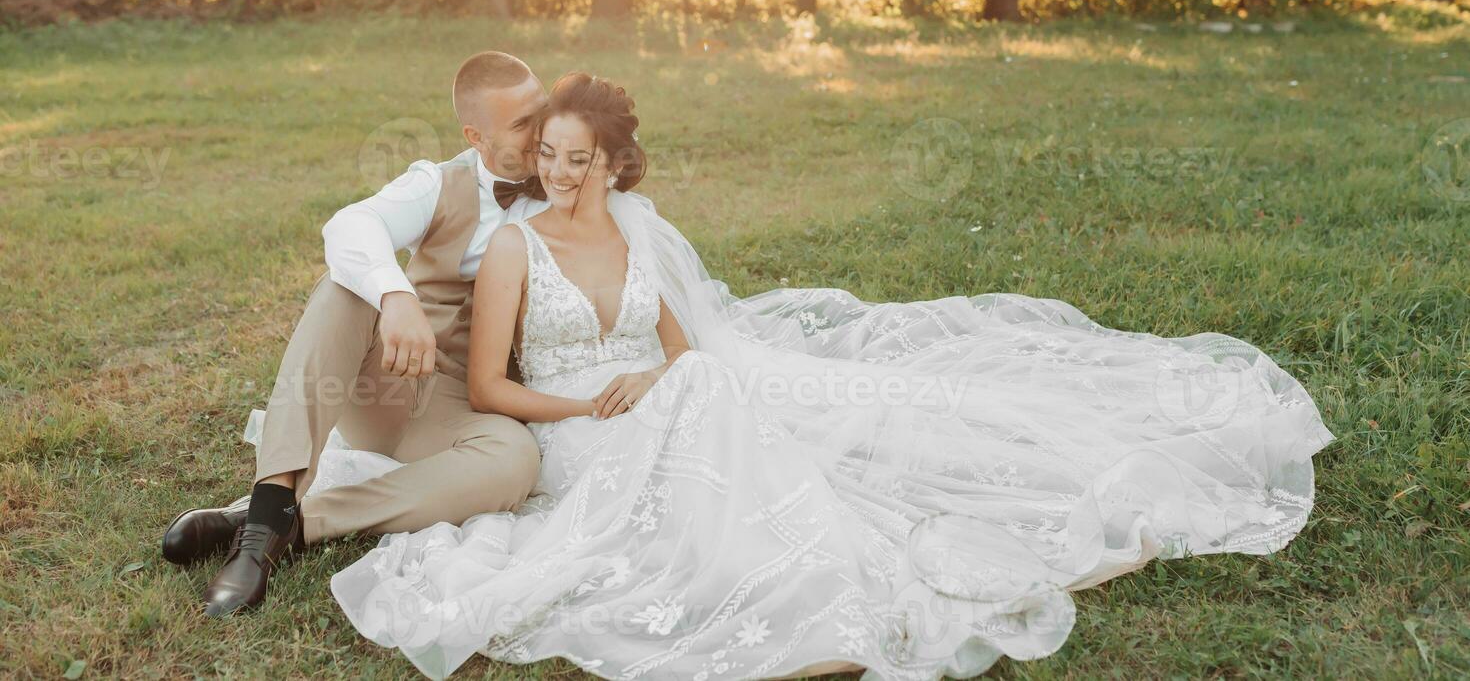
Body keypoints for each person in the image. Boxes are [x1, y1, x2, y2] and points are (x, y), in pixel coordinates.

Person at [304, 71, 1336, 679]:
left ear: (616, 163)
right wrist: (593, 399)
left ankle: (806, 564)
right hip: (579, 427)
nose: (563, 174)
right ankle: (794, 577)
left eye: (583, 158)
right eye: (554, 158)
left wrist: (659, 383)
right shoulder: (518, 248)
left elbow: (683, 348)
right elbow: (490, 387)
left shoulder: (636, 230)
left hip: (669, 401)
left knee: (720, 390)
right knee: (708, 405)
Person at [163, 52, 554, 617]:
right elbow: (350, 224)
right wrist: (396, 296)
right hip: (392, 386)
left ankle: (277, 529)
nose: (541, 131)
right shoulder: (438, 182)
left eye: (542, 112)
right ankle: (273, 500)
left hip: (465, 414)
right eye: (522, 123)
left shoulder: (569, 183)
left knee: (515, 460)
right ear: (477, 136)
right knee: (344, 287)